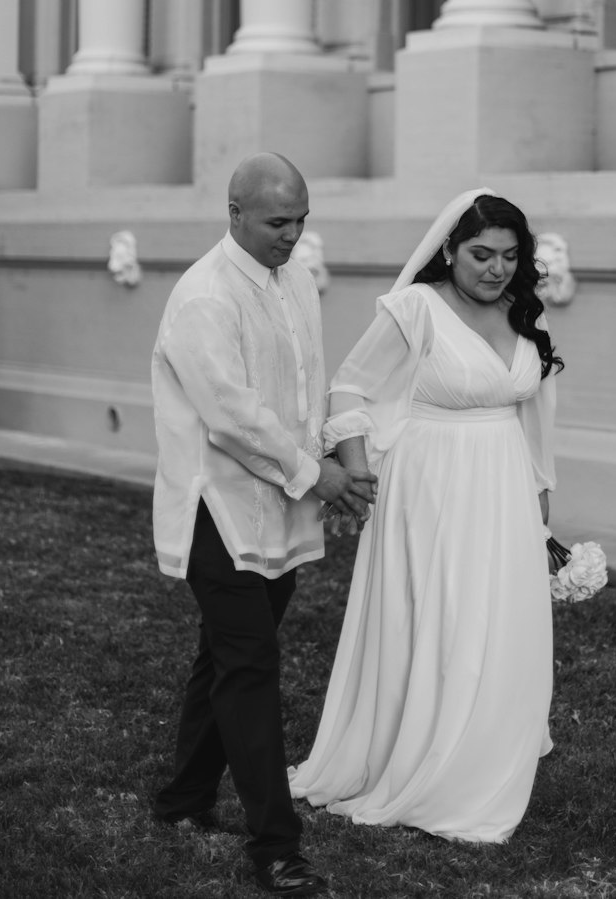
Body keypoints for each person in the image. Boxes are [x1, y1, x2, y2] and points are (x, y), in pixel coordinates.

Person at [290, 188, 563, 845]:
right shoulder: (418, 306)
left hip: (502, 484)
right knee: (439, 615)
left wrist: (542, 511)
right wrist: (357, 471)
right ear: (449, 249)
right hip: (431, 486)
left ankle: (483, 745)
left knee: (497, 618)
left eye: (508, 255)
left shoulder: (523, 314)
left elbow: (534, 422)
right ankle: (422, 755)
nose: (495, 268)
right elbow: (349, 385)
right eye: (480, 253)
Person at [151, 152, 377, 897]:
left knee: (226, 657)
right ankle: (276, 847)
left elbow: (303, 392)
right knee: (249, 666)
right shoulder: (204, 297)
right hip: (217, 507)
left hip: (280, 504)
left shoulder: (298, 281)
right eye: (280, 221)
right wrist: (321, 476)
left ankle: (182, 800)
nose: (293, 234)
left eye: (302, 220)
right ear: (235, 212)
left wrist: (329, 464)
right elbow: (233, 418)